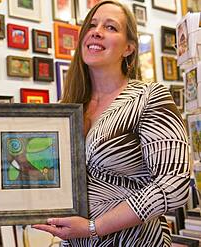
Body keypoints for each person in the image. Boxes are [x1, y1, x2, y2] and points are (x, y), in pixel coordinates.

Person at [32, 1, 190, 246]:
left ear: (128, 48)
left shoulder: (149, 97)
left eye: (111, 27)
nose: (96, 31)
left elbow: (174, 184)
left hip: (136, 241)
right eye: (92, 25)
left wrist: (94, 228)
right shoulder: (65, 107)